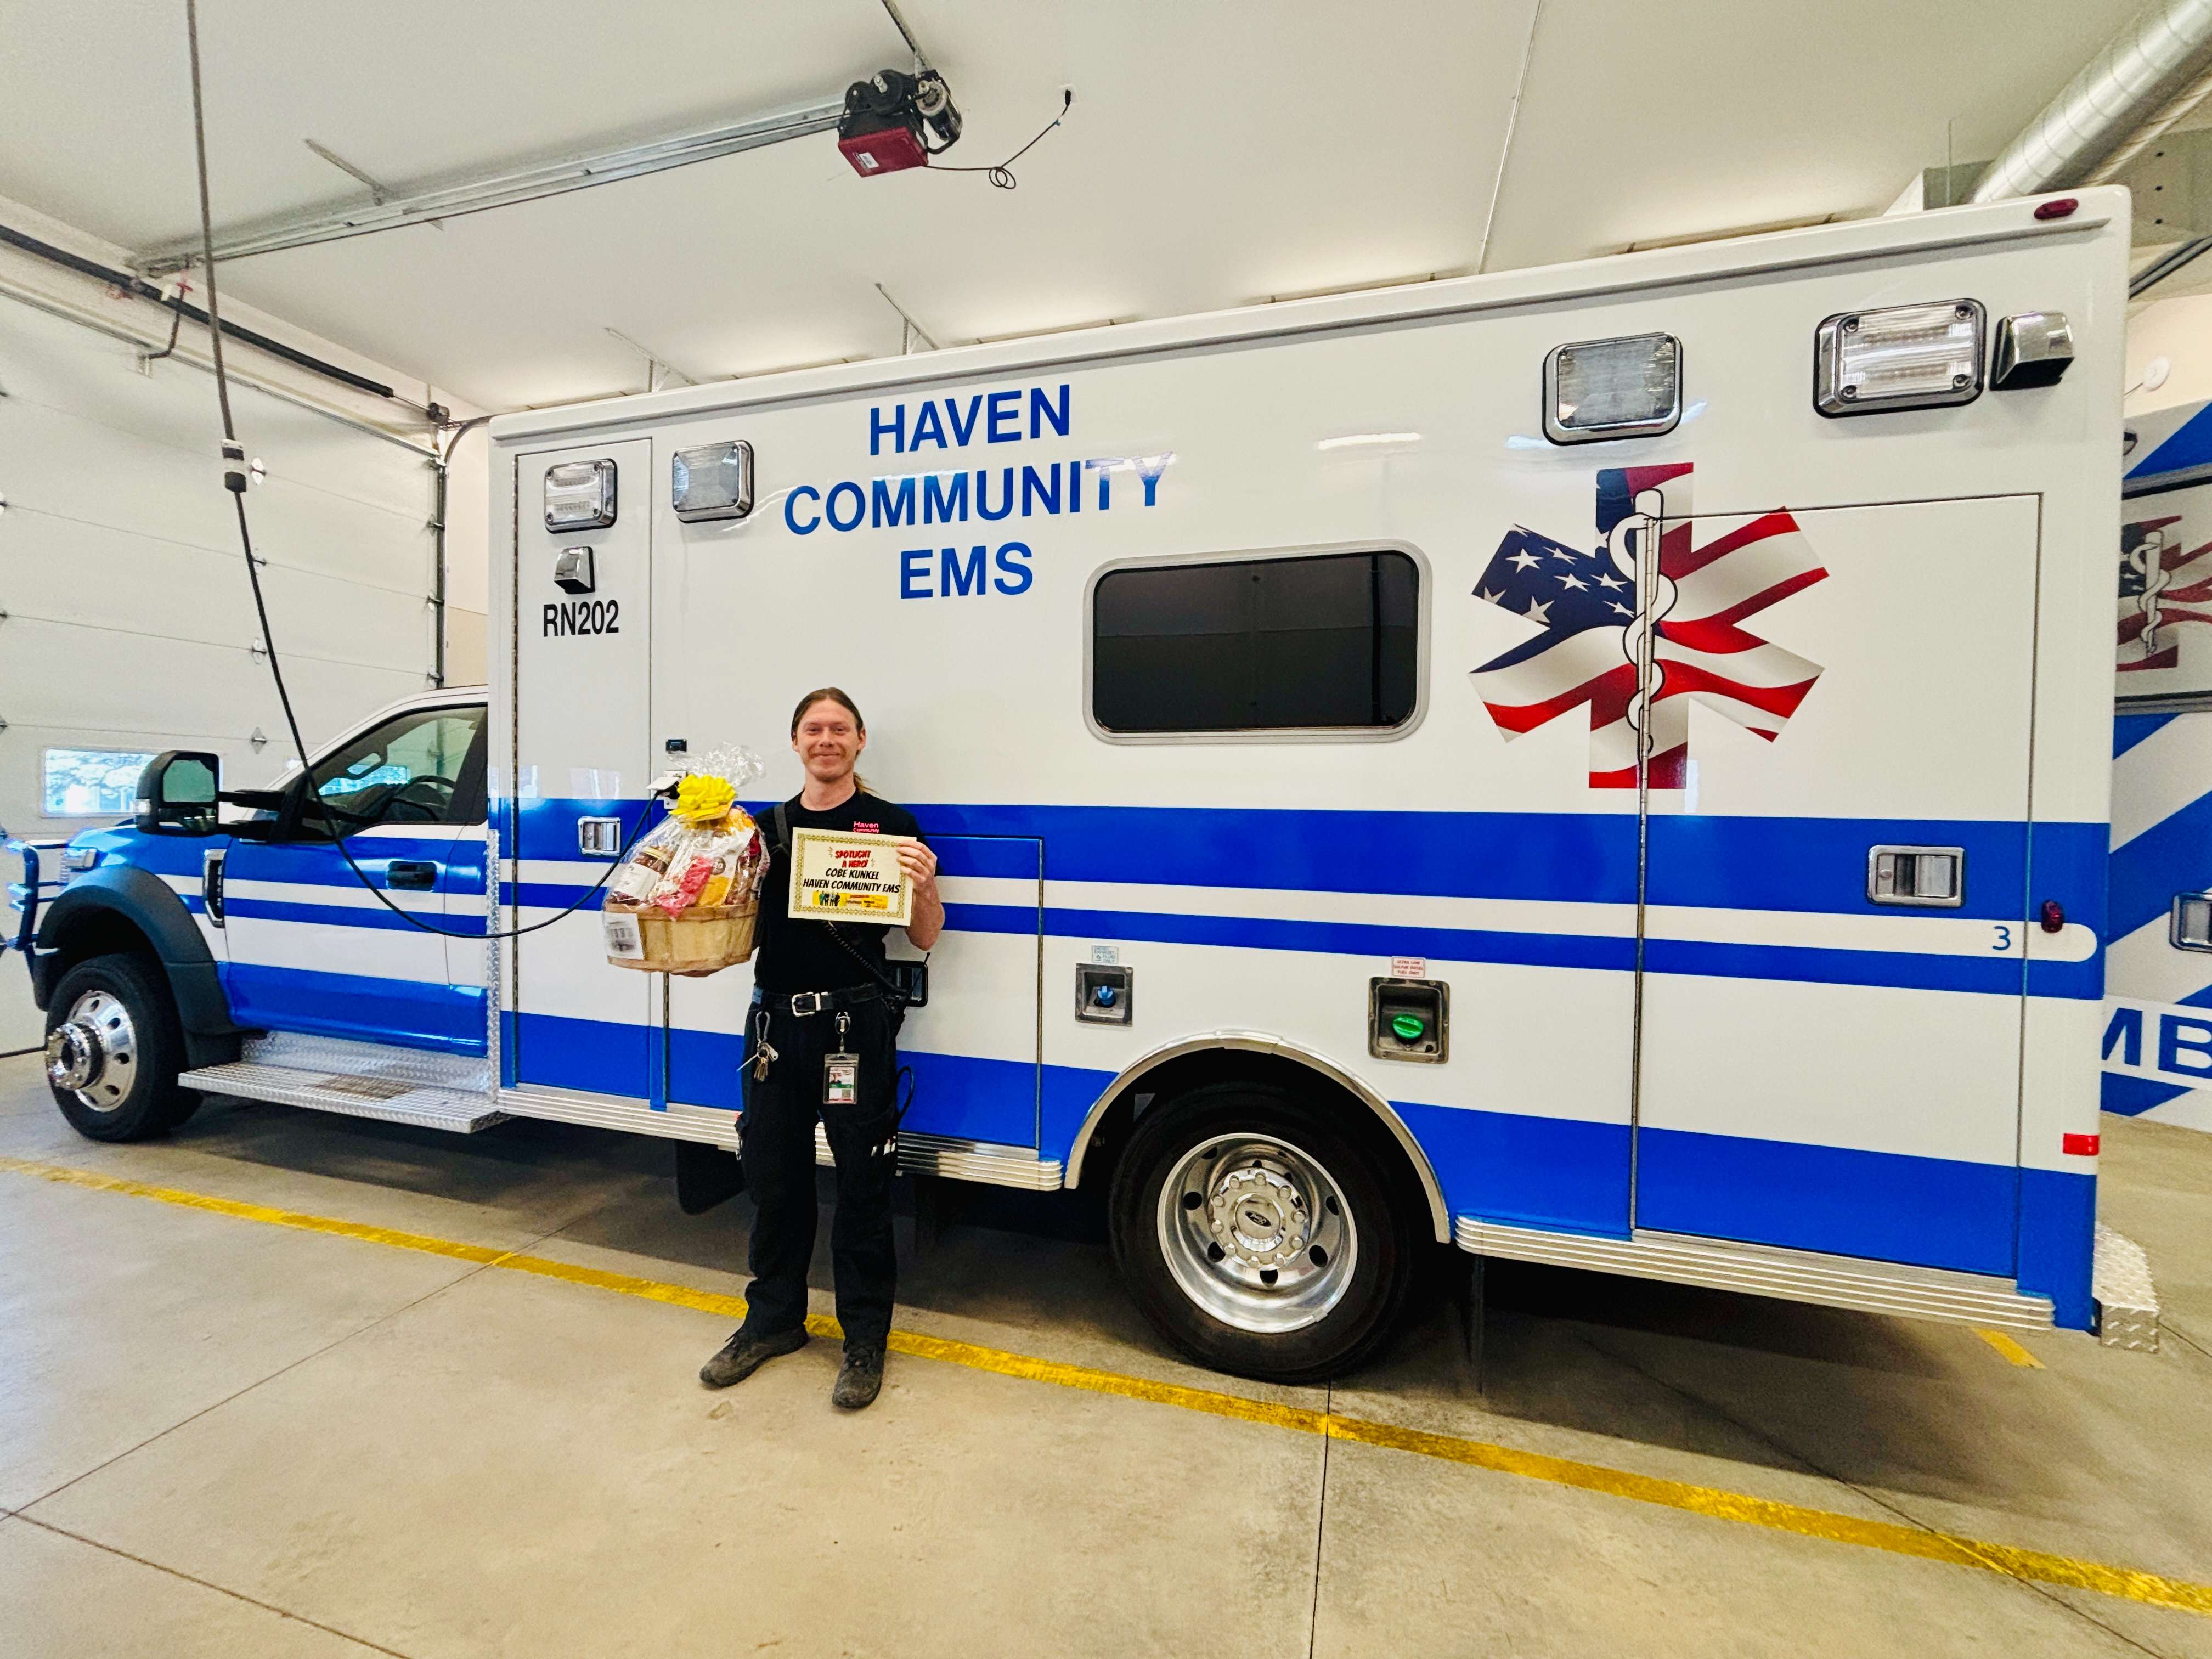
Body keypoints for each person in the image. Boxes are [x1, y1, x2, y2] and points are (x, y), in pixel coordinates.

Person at [698, 687, 941, 1409]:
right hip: (774, 1031)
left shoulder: (892, 828)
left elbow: (925, 935)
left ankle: (864, 1339)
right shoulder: (763, 831)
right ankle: (773, 1322)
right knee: (773, 1181)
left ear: (860, 740)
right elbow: (734, 924)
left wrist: (925, 888)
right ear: (796, 742)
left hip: (851, 1032)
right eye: (814, 729)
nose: (826, 740)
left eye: (839, 729)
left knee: (864, 1187)